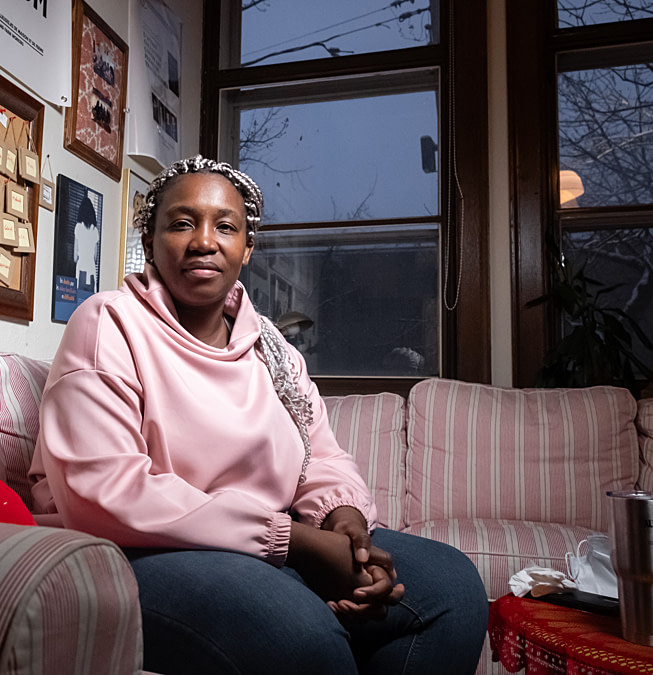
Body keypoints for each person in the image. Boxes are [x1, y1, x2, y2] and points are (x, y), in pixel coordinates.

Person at [29, 155, 487, 674]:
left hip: (268, 543)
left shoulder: (272, 348)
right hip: (144, 550)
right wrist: (294, 542)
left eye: (225, 226)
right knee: (300, 637)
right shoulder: (108, 324)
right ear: (150, 241)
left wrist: (345, 525)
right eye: (181, 223)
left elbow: (320, 454)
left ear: (246, 249)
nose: (204, 241)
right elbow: (104, 491)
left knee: (452, 588)